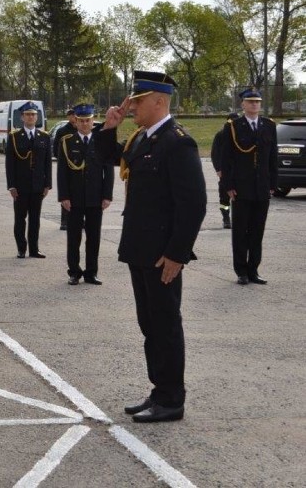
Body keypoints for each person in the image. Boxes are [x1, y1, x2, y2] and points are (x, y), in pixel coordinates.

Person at [95, 70, 206, 423]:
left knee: (166, 325)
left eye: (138, 102)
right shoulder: (143, 139)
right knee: (150, 325)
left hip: (162, 255)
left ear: (159, 101)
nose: (132, 107)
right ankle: (159, 390)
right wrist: (109, 126)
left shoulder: (178, 142)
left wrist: (177, 254)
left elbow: (193, 204)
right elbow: (108, 157)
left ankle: (172, 399)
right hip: (140, 249)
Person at [220, 88, 278, 285]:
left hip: (262, 187)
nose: (254, 105)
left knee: (257, 231)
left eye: (257, 102)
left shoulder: (269, 126)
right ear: (243, 105)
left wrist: (273, 184)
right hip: (241, 188)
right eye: (250, 102)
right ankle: (241, 271)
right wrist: (228, 185)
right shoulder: (234, 126)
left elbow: (273, 158)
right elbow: (226, 158)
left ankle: (253, 270)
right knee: (240, 231)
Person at [56, 103, 113, 285]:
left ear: (93, 120)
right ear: (76, 121)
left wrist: (107, 195)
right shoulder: (67, 142)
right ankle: (74, 272)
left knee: (94, 237)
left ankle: (91, 273)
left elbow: (109, 171)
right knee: (74, 238)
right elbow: (62, 172)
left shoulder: (102, 141)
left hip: (95, 198)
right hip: (74, 199)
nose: (84, 124)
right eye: (81, 121)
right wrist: (63, 196)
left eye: (88, 120)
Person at [5, 102, 51, 259]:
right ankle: (21, 248)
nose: (31, 117)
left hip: (37, 185)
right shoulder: (14, 137)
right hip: (20, 186)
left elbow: (47, 163)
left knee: (35, 220)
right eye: (28, 114)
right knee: (20, 219)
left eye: (33, 114)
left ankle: (34, 249)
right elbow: (9, 164)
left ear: (37, 117)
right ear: (22, 117)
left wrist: (47, 184)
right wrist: (11, 185)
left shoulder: (44, 137)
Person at [210, 112, 239, 229]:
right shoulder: (221, 135)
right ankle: (226, 218)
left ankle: (239, 220)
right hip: (225, 172)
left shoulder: (242, 135)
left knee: (239, 198)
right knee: (224, 199)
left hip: (239, 172)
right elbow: (214, 153)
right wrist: (218, 169)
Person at [52, 107, 78, 230]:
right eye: (72, 115)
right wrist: (64, 160)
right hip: (67, 166)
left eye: (75, 115)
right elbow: (56, 149)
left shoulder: (81, 129)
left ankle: (80, 220)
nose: (74, 117)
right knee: (66, 193)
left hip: (80, 166)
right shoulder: (62, 131)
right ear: (68, 117)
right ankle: (65, 221)